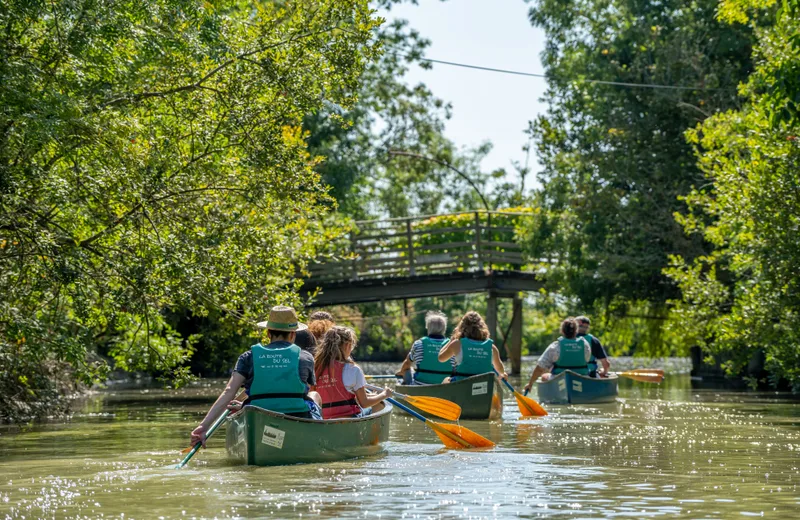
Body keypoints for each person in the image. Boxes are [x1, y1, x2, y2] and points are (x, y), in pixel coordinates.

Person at [189, 306, 322, 448]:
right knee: (315, 395)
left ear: (268, 333)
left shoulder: (248, 357)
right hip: (297, 418)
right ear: (293, 335)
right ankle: (315, 439)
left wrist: (203, 427)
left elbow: (229, 391)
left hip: (259, 419)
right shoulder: (306, 357)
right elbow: (303, 389)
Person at [314, 325, 393, 418]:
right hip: (349, 419)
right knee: (379, 404)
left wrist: (369, 395)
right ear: (347, 345)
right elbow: (364, 403)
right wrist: (384, 394)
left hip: (324, 419)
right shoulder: (353, 369)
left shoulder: (316, 367)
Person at [522, 317, 591, 394]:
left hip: (559, 379)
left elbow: (540, 368)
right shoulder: (585, 345)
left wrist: (530, 383)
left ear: (562, 331)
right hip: (581, 378)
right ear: (576, 331)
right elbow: (587, 360)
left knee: (544, 376)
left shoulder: (555, 346)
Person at [437, 311, 507, 382]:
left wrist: (451, 340)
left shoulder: (457, 344)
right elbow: (500, 369)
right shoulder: (492, 348)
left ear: (462, 327)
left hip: (462, 385)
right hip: (484, 386)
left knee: (446, 380)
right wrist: (503, 373)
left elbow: (441, 358)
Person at [396, 311, 455, 384]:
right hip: (443, 388)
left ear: (428, 327)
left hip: (420, 386)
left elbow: (407, 364)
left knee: (407, 370)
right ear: (444, 329)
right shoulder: (452, 345)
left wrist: (401, 372)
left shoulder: (418, 343)